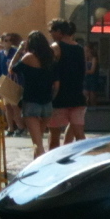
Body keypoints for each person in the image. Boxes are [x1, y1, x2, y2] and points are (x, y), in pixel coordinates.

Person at [11, 30, 57, 160]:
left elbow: (11, 69)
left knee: (37, 143)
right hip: (47, 103)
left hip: (31, 101)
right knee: (38, 139)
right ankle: (35, 163)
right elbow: (56, 84)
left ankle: (42, 167)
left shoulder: (28, 57)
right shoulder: (50, 58)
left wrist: (19, 51)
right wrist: (52, 97)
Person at [47, 19, 86, 149]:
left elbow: (50, 69)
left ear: (59, 32)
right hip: (76, 95)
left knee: (54, 138)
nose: (50, 34)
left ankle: (53, 164)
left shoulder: (55, 47)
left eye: (51, 31)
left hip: (59, 96)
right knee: (80, 136)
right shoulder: (80, 49)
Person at [0, 32, 25, 136]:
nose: (8, 43)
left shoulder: (15, 52)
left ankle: (20, 126)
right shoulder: (0, 55)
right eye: (6, 40)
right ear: (2, 41)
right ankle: (10, 127)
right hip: (5, 81)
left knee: (15, 106)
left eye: (10, 40)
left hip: (15, 81)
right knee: (7, 106)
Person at [83, 42, 100, 106]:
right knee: (85, 95)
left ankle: (93, 108)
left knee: (92, 95)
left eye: (87, 51)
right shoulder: (86, 59)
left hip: (93, 79)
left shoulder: (94, 59)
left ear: (91, 51)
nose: (86, 52)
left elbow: (92, 70)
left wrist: (83, 71)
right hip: (86, 79)